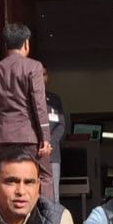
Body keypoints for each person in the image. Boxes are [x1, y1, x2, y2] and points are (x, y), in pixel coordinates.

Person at [0, 22, 53, 193]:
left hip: (4, 137)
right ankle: (44, 211)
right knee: (43, 177)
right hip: (30, 136)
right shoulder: (34, 66)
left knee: (8, 177)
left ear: (5, 45)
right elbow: (39, 104)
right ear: (26, 43)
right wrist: (45, 137)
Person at [44, 68, 68, 199]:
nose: (41, 77)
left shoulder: (54, 99)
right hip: (34, 153)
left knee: (53, 195)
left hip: (52, 153)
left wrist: (49, 143)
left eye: (44, 74)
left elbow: (61, 125)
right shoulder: (27, 99)